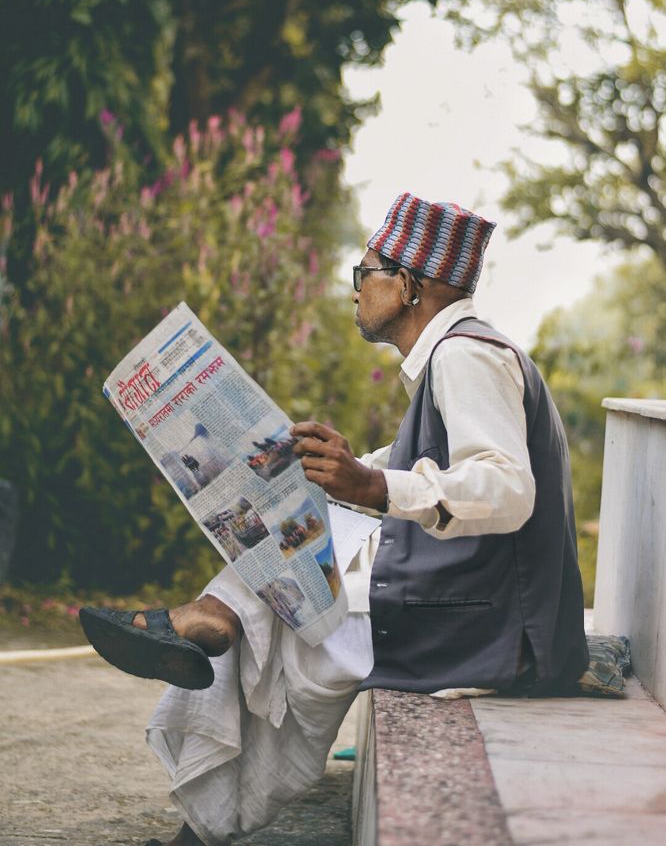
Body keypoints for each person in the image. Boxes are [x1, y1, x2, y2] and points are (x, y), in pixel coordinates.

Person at [80, 193, 588, 846]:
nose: (355, 290)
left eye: (365, 272)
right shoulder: (457, 355)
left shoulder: (465, 358)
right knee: (288, 582)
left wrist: (373, 484)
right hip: (489, 615)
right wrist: (339, 468)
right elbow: (436, 469)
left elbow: (509, 488)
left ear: (408, 285)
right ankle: (214, 624)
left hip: (503, 636)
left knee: (287, 632)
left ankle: (213, 624)